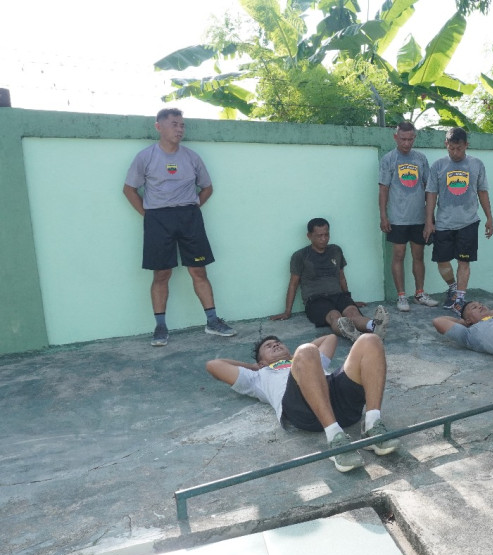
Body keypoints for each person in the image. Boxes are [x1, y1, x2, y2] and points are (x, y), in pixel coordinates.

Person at [123, 108, 236, 347]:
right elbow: (129, 189)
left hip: (189, 217)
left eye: (182, 125)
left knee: (199, 270)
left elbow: (207, 188)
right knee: (161, 273)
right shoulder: (145, 157)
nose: (179, 129)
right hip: (157, 219)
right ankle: (160, 327)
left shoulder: (192, 157)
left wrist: (193, 208)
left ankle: (212, 321)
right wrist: (148, 215)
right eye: (174, 124)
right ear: (159, 127)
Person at [206, 333, 399, 472]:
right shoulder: (257, 376)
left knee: (369, 340)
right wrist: (254, 366)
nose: (275, 345)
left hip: (341, 404)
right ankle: (336, 440)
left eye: (277, 342)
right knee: (307, 350)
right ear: (261, 362)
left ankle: (373, 425)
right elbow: (214, 366)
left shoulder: (307, 359)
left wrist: (297, 357)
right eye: (268, 346)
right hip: (305, 412)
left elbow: (330, 338)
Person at [269, 218, 388, 342]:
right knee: (335, 316)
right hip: (315, 300)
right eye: (319, 236)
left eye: (326, 235)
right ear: (309, 236)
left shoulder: (335, 250)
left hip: (338, 296)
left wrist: (350, 299)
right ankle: (353, 334)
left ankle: (375, 326)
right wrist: (287, 311)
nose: (324, 239)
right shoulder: (300, 256)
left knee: (353, 313)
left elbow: (341, 277)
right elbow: (293, 284)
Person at [424, 127, 493, 316]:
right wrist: (429, 221)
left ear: (466, 145)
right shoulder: (438, 166)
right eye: (451, 148)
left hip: (468, 222)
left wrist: (489, 217)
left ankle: (460, 299)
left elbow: (482, 191)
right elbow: (431, 193)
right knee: (442, 260)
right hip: (443, 222)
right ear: (446, 144)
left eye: (459, 148)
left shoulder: (476, 164)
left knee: (464, 261)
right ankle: (453, 288)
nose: (455, 152)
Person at [378, 121, 439, 312]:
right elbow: (383, 189)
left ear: (414, 138)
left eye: (410, 139)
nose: (406, 143)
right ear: (395, 137)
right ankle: (401, 296)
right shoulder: (388, 159)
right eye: (403, 139)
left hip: (419, 218)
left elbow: (429, 189)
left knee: (418, 256)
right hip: (397, 217)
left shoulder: (421, 158)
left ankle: (420, 293)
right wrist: (383, 216)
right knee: (398, 255)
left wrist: (429, 218)